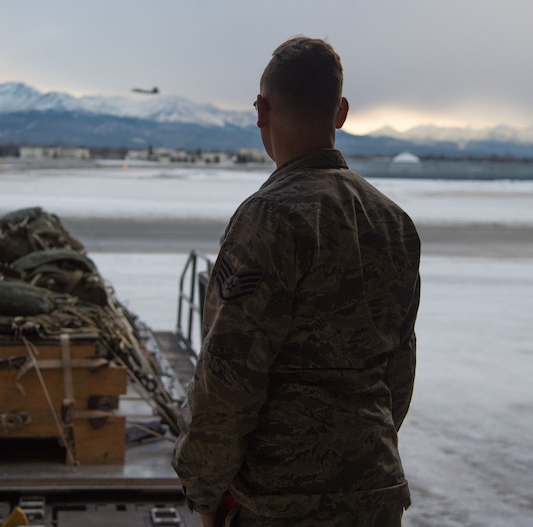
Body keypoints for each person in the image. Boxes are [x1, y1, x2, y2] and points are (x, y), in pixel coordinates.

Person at [171, 36, 421, 527]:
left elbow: (227, 378)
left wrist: (204, 492)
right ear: (342, 112)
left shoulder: (269, 218)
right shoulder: (393, 223)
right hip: (373, 494)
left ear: (261, 110)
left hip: (277, 503)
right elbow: (399, 371)